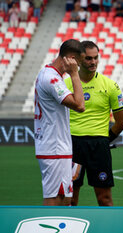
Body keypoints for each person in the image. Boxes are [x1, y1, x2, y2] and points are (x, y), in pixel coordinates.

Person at [64, 41, 123, 206]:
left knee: (105, 198)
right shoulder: (65, 84)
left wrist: (105, 140)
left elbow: (121, 122)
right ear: (78, 59)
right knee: (70, 199)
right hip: (72, 145)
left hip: (99, 146)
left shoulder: (110, 85)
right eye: (88, 58)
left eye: (96, 58)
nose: (93, 62)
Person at [34, 39, 85, 206]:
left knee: (65, 199)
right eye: (78, 62)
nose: (79, 66)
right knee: (55, 199)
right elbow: (79, 105)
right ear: (70, 58)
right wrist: (75, 74)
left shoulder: (53, 75)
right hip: (53, 147)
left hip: (57, 146)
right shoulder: (51, 79)